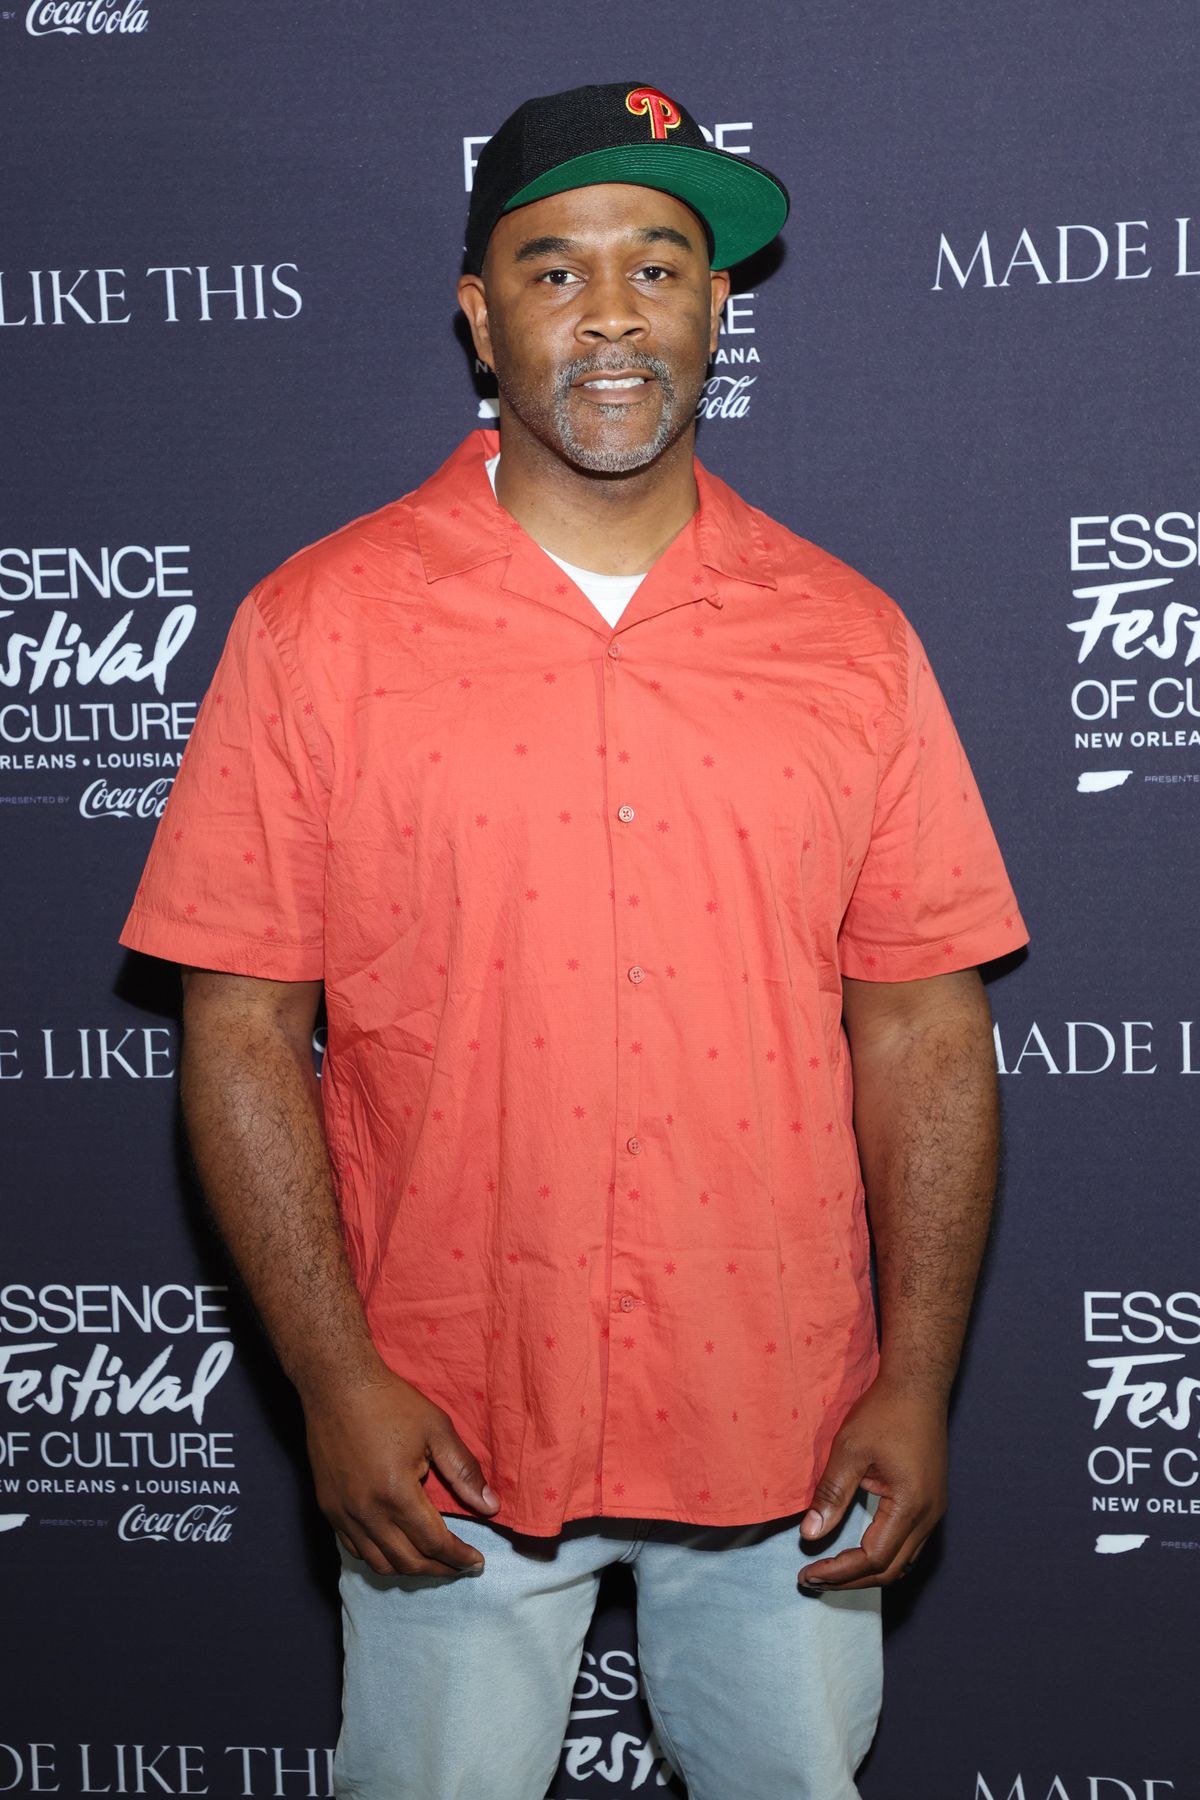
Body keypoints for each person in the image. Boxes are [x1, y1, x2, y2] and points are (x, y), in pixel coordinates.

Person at [119, 78, 1028, 1800]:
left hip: (785, 1415)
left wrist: (919, 1379)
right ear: (480, 315)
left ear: (715, 308)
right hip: (447, 1418)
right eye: (555, 269)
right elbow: (239, 1029)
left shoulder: (851, 639)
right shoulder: (315, 627)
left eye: (658, 267)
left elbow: (923, 1026)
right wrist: (331, 1374)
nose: (612, 313)